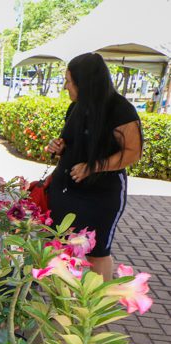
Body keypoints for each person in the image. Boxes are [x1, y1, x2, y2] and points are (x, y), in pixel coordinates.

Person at [46, 53, 143, 280]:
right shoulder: (76, 108)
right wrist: (58, 147)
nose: (65, 87)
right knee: (64, 249)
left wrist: (94, 167)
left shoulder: (120, 109)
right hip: (66, 192)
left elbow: (133, 152)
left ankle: (92, 310)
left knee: (96, 254)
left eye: (68, 81)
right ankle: (66, 309)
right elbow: (72, 144)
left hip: (100, 197)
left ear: (84, 82)